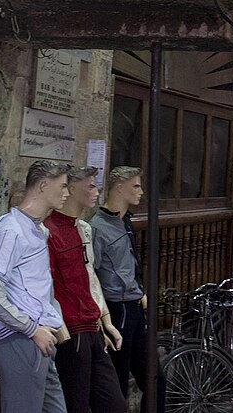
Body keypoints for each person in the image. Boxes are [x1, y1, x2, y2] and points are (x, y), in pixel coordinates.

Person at [0, 160, 71, 413]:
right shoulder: (11, 231)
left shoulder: (35, 229)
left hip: (38, 339)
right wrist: (32, 330)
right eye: (63, 186)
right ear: (43, 186)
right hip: (22, 339)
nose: (67, 193)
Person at [45, 165, 127, 413]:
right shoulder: (48, 231)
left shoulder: (84, 229)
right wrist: (61, 333)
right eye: (90, 186)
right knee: (76, 404)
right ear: (71, 189)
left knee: (114, 404)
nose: (96, 192)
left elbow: (90, 276)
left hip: (91, 326)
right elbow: (47, 286)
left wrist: (105, 321)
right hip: (71, 329)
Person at [90, 166, 151, 410]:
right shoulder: (97, 227)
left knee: (155, 379)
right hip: (117, 307)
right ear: (119, 188)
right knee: (118, 380)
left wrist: (139, 290)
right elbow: (92, 271)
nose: (141, 192)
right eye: (135, 186)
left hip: (134, 304)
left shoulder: (125, 221)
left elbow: (131, 262)